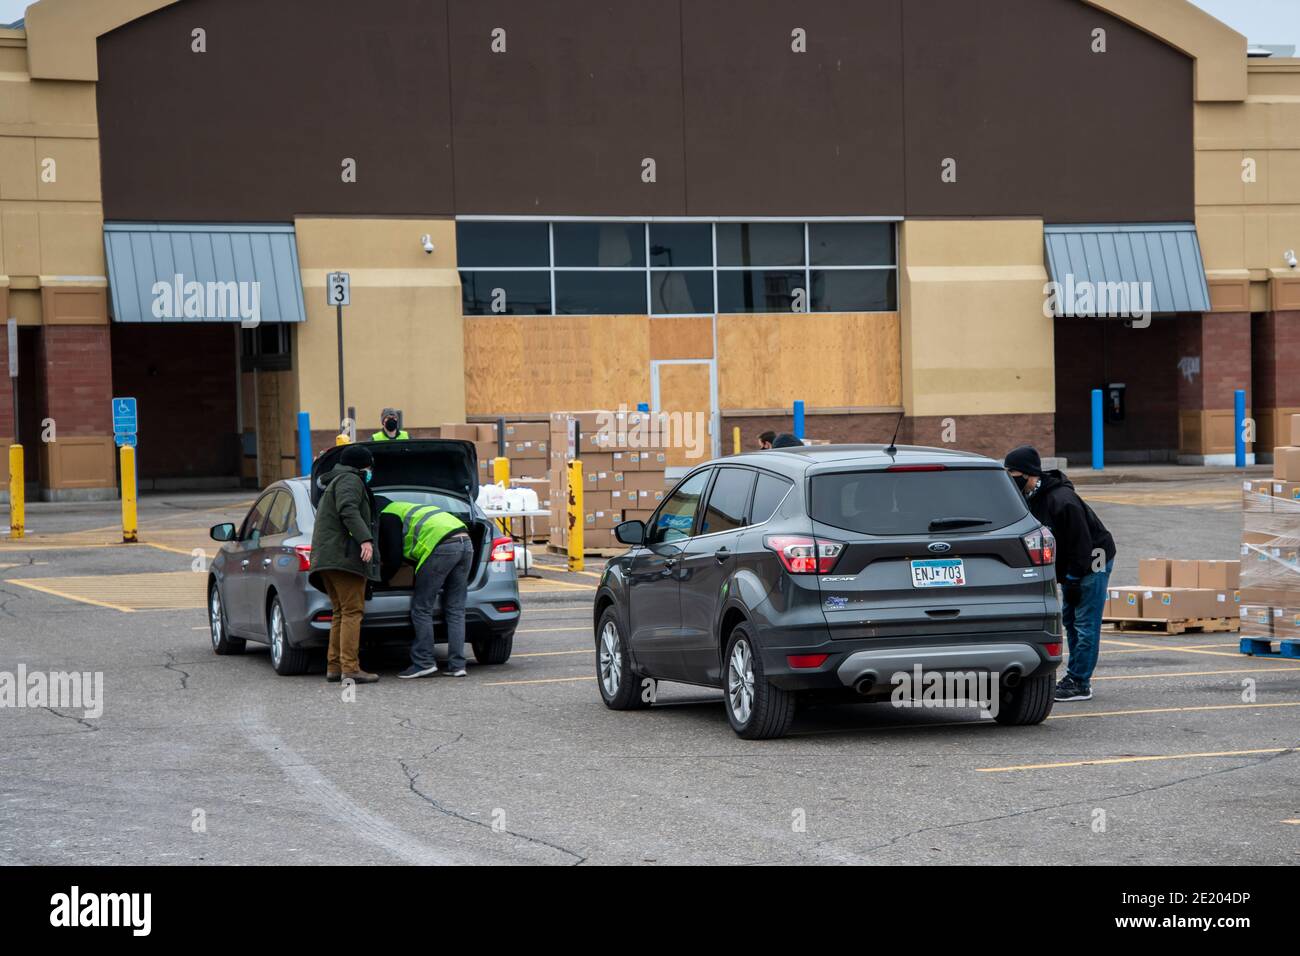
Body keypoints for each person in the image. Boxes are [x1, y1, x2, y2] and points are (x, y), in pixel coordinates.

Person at [1004, 445, 1115, 702]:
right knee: (1069, 620)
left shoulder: (1062, 501)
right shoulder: (1030, 496)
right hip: (1074, 562)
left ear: (1029, 473)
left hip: (1095, 558)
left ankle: (1080, 682)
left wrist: (1076, 579)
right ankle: (1075, 675)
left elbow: (1082, 544)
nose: (1009, 476)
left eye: (1013, 472)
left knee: (1085, 622)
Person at [308, 444, 381, 684]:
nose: (371, 471)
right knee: (352, 612)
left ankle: (335, 665)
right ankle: (350, 668)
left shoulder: (336, 480)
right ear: (362, 466)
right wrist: (366, 540)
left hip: (327, 559)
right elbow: (348, 510)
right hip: (343, 557)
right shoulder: (350, 480)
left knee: (340, 612)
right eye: (369, 466)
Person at [380, 499, 474, 679]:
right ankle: (457, 665)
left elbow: (393, 557)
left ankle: (424, 662)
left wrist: (382, 579)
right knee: (456, 608)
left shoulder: (388, 514)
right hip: (466, 541)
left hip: (442, 546)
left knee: (422, 607)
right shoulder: (413, 507)